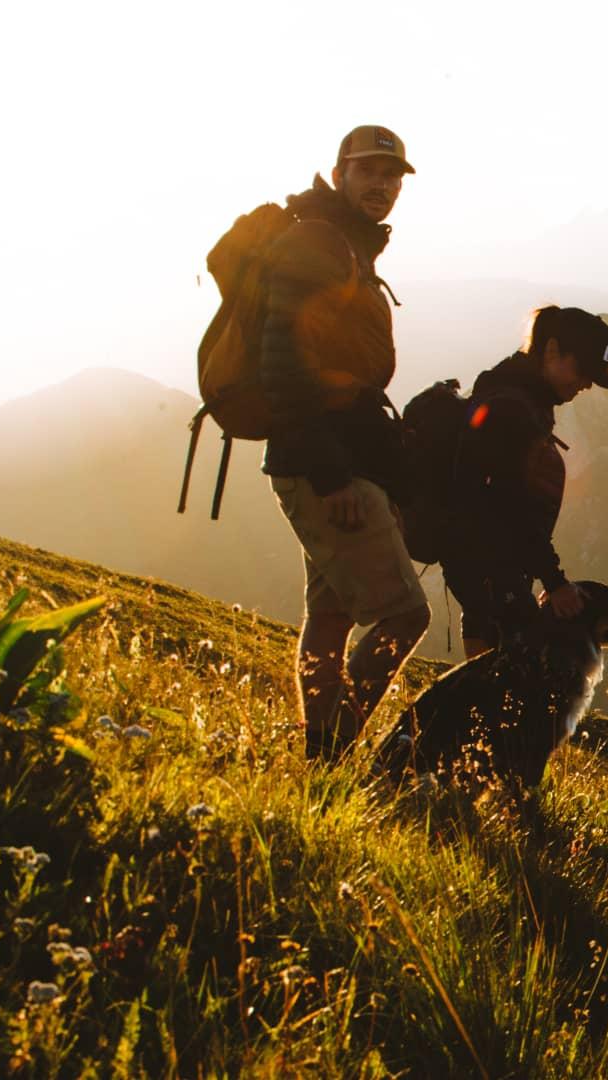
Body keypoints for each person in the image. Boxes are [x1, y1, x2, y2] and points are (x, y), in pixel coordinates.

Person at [260, 125, 431, 758]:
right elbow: (283, 361)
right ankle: (332, 749)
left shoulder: (344, 244)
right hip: (324, 467)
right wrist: (332, 477)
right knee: (406, 614)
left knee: (331, 617)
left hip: (335, 459)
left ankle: (318, 756)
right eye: (368, 174)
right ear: (339, 174)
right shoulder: (316, 243)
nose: (382, 187)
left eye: (392, 178)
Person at [443, 305, 608, 657]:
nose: (585, 384)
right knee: (514, 668)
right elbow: (512, 504)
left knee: (490, 667)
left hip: (482, 563)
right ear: (552, 350)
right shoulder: (513, 409)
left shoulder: (518, 396)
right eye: (583, 370)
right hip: (490, 562)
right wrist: (554, 581)